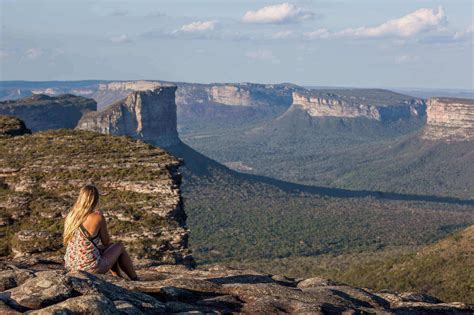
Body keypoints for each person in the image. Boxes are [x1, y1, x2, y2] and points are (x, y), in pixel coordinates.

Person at [63, 184, 138, 280]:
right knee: (119, 246)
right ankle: (135, 279)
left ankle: (118, 278)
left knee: (108, 248)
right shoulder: (97, 217)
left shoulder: (71, 216)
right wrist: (101, 218)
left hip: (71, 266)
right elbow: (106, 242)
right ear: (95, 199)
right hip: (90, 268)